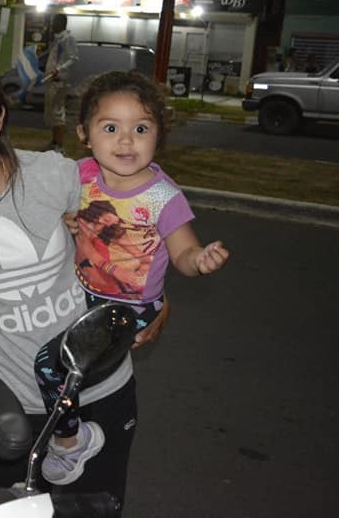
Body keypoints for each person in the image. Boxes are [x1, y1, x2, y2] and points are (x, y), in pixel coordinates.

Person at [0, 54, 167, 511]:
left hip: (102, 389)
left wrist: (158, 299)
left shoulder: (55, 175)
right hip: (16, 408)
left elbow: (136, 224)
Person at [31, 70, 232, 487]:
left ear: (158, 136)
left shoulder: (163, 197)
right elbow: (56, 210)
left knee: (51, 367)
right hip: (83, 292)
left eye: (141, 129)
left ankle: (71, 443)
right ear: (84, 134)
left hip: (131, 308)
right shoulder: (81, 175)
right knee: (58, 359)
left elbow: (183, 253)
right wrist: (66, 219)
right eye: (110, 128)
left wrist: (200, 260)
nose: (126, 141)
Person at [42, 13, 79, 152]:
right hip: (51, 81)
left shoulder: (68, 39)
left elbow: (73, 58)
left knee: (57, 113)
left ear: (62, 24)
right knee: (51, 113)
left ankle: (59, 145)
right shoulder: (57, 40)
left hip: (59, 81)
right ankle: (55, 141)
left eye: (54, 23)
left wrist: (58, 69)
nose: (52, 26)